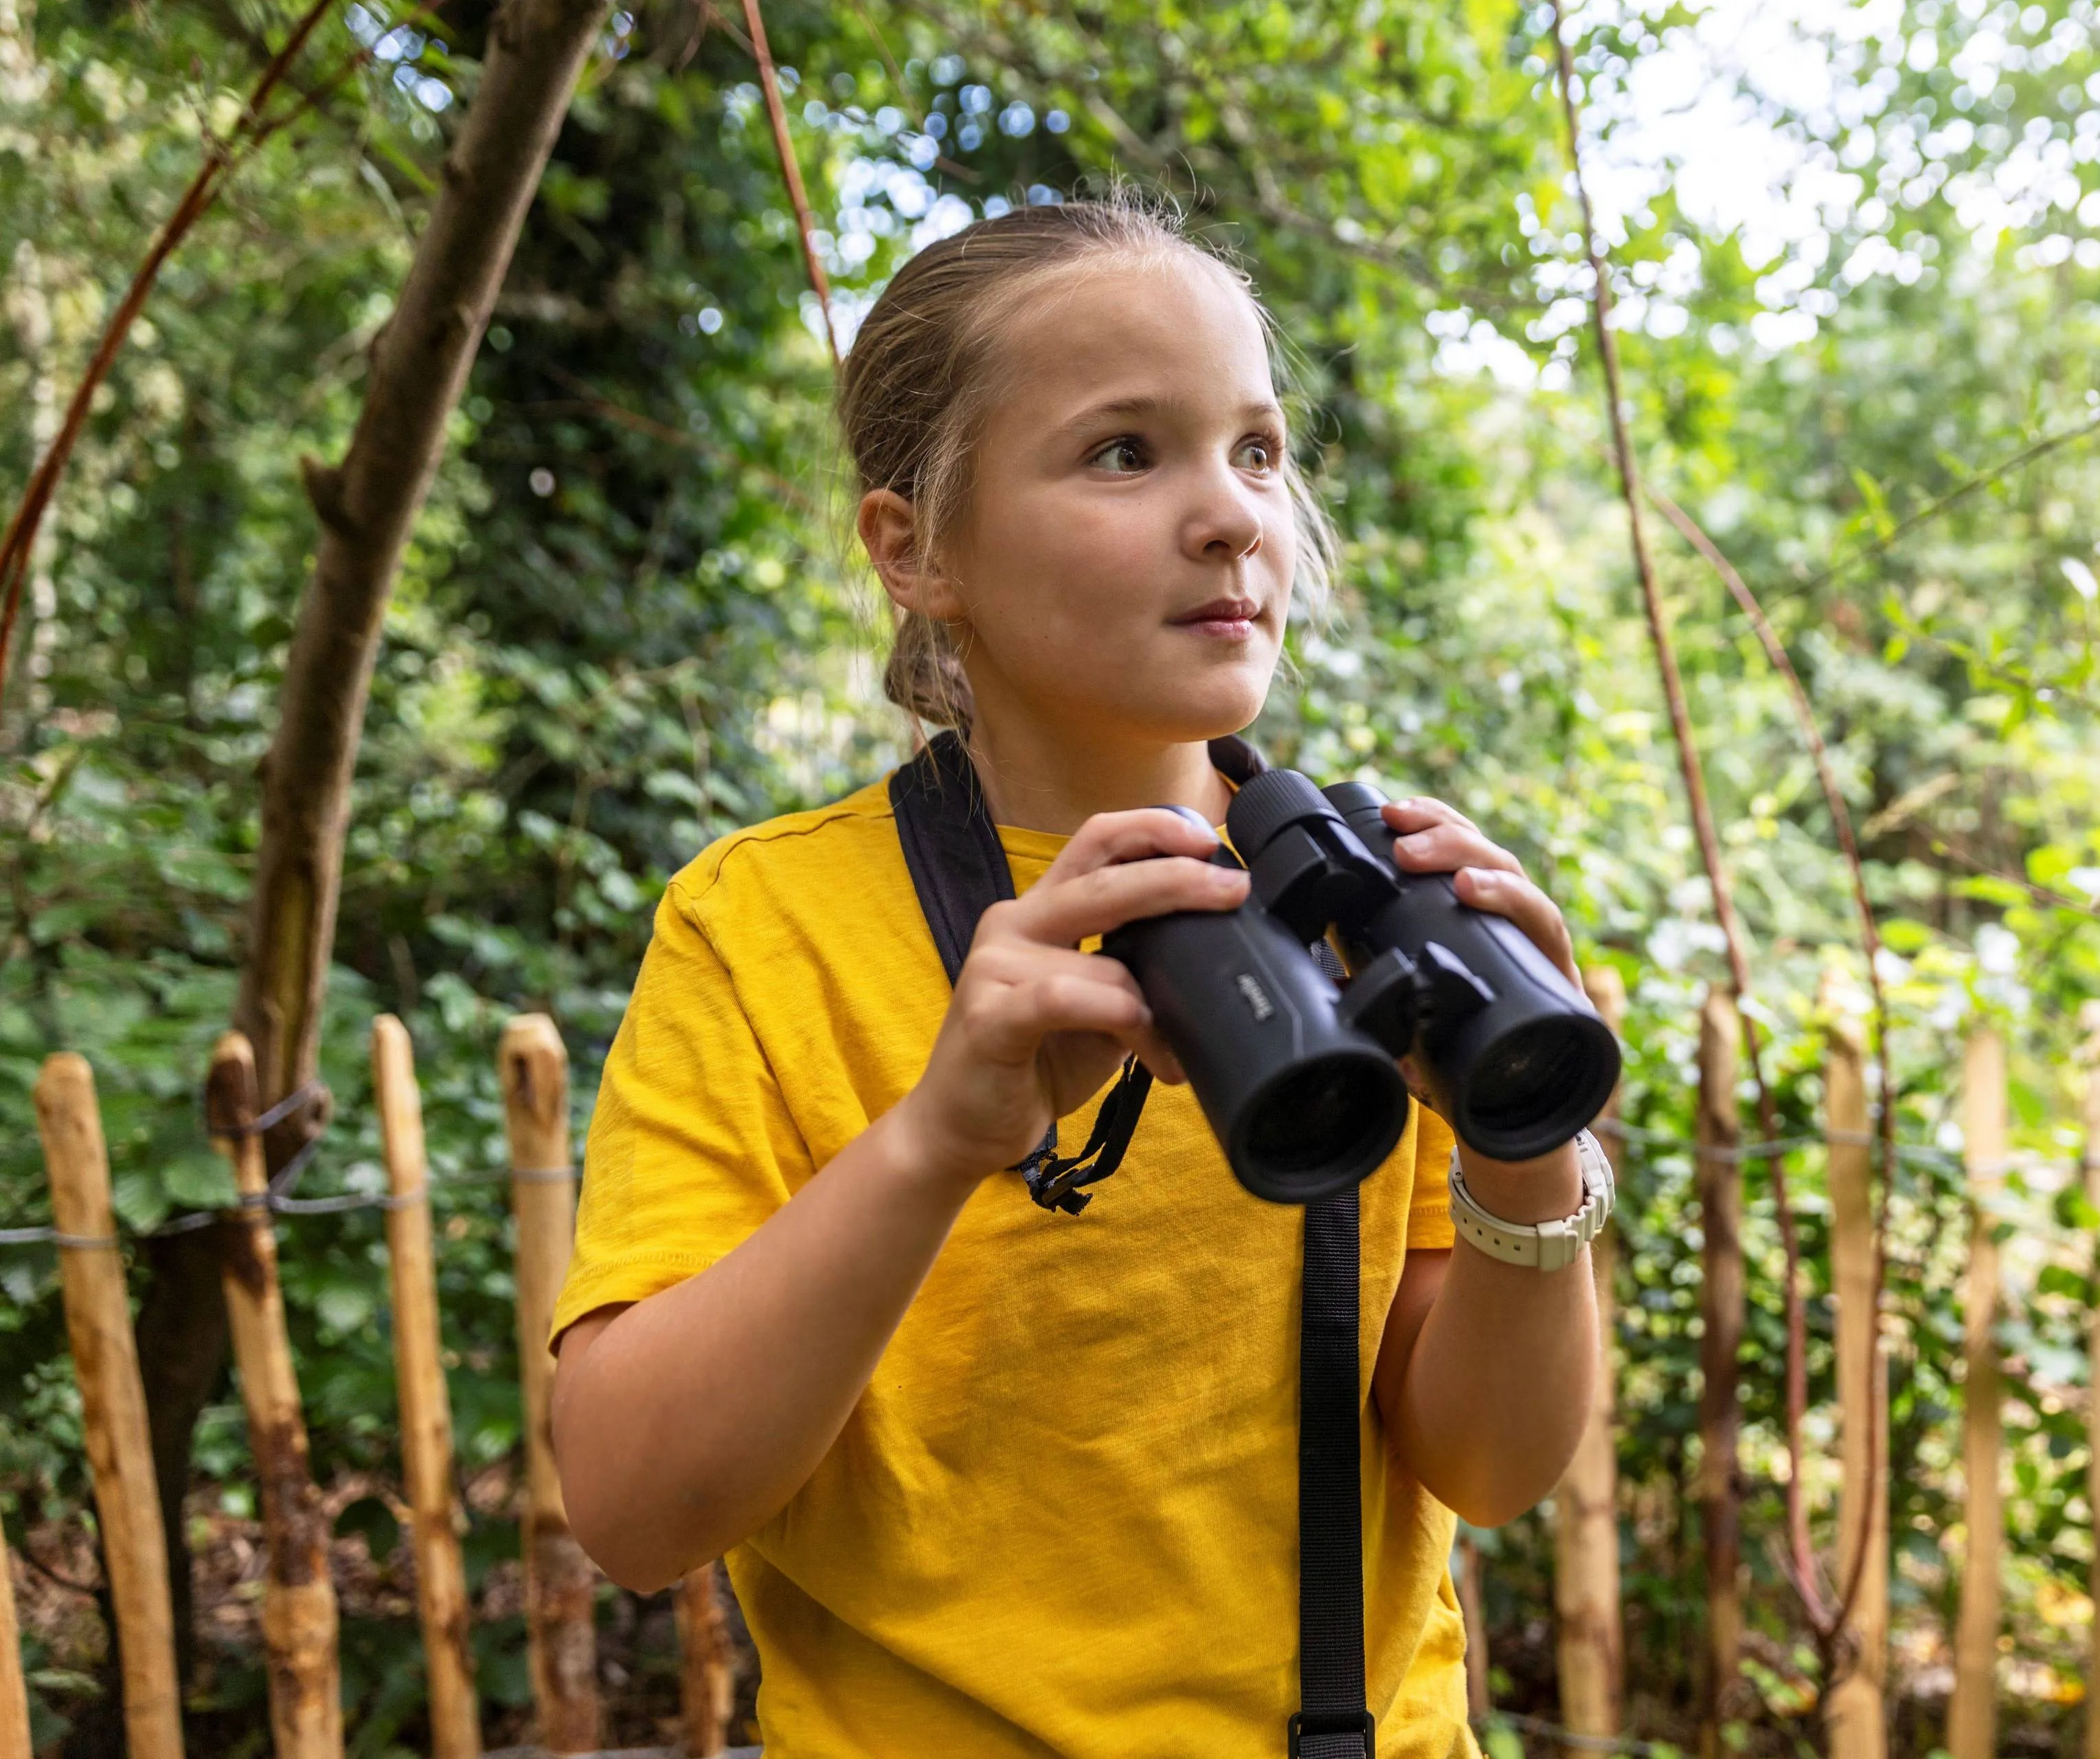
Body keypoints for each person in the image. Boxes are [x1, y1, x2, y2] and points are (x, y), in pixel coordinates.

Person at [547, 191, 1603, 1758]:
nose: (1234, 513)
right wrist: (933, 1141)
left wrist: (1529, 1147)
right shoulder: (766, 926)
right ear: (916, 549)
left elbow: (1494, 1465)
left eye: (1256, 449)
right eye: (1127, 450)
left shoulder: (1377, 912)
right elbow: (634, 1509)